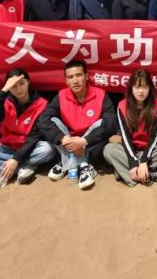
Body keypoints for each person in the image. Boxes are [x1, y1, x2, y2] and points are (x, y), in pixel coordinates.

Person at [36, 60, 117, 190]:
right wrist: (64, 139)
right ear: (66, 81)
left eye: (79, 75)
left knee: (102, 122)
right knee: (53, 120)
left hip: (90, 145)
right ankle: (83, 165)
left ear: (86, 76)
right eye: (70, 77)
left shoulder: (101, 94)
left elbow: (111, 123)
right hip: (68, 142)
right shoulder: (61, 96)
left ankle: (67, 163)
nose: (75, 81)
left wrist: (84, 140)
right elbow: (42, 120)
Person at [0, 69, 57, 186]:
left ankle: (9, 167)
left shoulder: (42, 104)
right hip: (6, 146)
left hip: (30, 147)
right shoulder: (4, 100)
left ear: (28, 82)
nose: (18, 89)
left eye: (22, 83)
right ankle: (23, 167)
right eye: (13, 86)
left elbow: (35, 137)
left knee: (48, 150)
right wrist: (4, 90)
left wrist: (16, 159)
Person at [104, 69, 157, 186]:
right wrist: (133, 162)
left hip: (151, 150)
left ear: (150, 88)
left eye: (144, 87)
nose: (141, 91)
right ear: (131, 88)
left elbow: (155, 137)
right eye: (137, 87)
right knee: (108, 150)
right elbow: (125, 137)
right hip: (131, 150)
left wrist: (144, 161)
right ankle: (149, 175)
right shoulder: (122, 106)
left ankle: (126, 174)